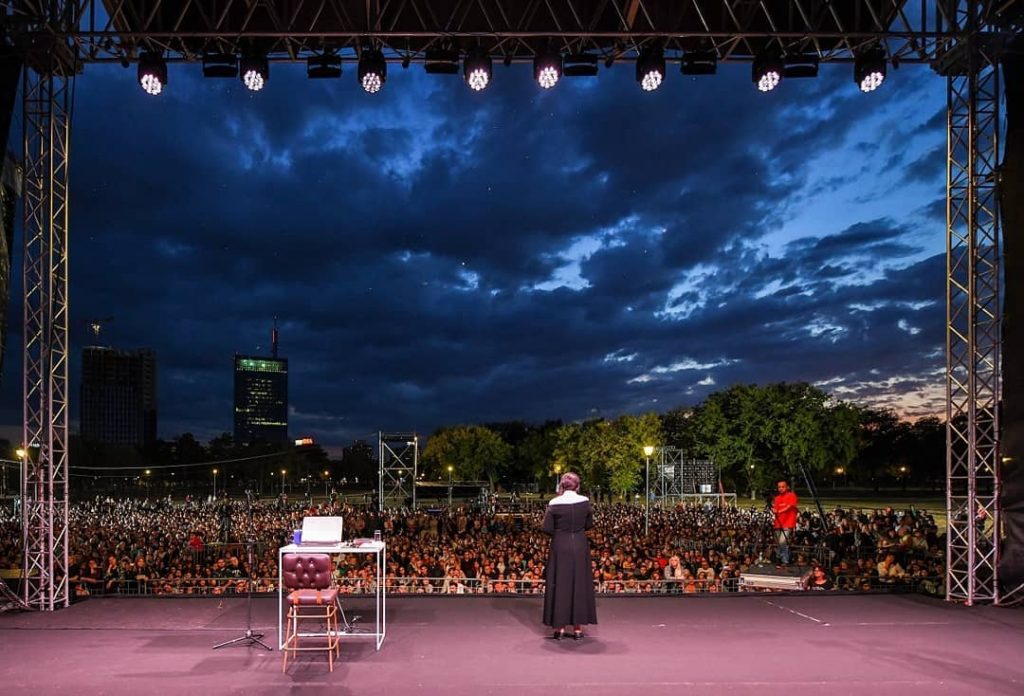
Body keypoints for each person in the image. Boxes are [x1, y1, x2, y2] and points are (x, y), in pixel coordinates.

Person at [542, 472, 597, 640]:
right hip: (580, 545)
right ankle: (578, 629)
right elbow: (589, 525)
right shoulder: (585, 502)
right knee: (579, 583)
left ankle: (559, 628)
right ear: (577, 485)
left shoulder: (554, 503)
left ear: (562, 485)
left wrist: (561, 532)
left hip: (560, 545)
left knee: (560, 584)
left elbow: (547, 529)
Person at [772, 480, 798, 566]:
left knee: (782, 541)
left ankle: (784, 559)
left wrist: (778, 511)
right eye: (779, 487)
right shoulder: (777, 498)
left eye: (783, 487)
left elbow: (788, 507)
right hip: (778, 523)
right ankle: (780, 558)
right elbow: (775, 510)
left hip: (788, 523)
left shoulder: (792, 495)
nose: (780, 489)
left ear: (787, 487)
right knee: (778, 542)